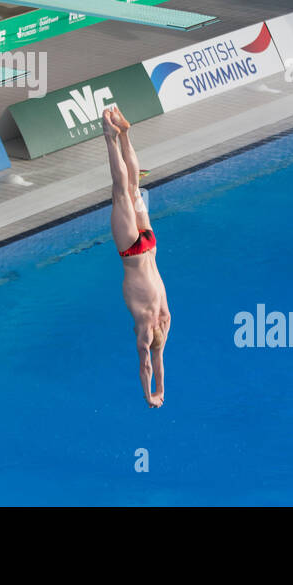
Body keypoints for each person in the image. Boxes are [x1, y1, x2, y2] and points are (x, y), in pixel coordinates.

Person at [103, 105, 170, 408]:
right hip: (132, 251)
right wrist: (148, 395)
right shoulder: (146, 323)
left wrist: (162, 391)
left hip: (151, 244)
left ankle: (126, 134)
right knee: (120, 190)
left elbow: (158, 360)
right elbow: (146, 363)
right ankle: (109, 137)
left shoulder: (164, 318)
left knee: (134, 186)